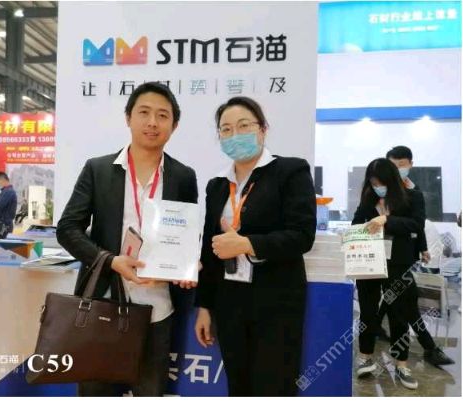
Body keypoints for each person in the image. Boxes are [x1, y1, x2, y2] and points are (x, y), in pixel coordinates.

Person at [56, 82, 198, 396]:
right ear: (128, 118)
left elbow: (188, 236)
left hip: (157, 310)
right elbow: (67, 229)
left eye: (163, 115)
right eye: (144, 112)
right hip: (102, 305)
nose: (152, 122)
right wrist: (110, 260)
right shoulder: (98, 169)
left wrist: (188, 264)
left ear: (174, 126)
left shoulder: (183, 176)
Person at [194, 96, 316, 396]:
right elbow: (210, 249)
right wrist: (205, 306)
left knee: (274, 385)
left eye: (243, 126)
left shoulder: (290, 171)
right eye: (226, 129)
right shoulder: (216, 185)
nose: (234, 134)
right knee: (238, 385)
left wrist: (247, 244)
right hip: (229, 302)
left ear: (262, 129)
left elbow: (302, 235)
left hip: (276, 302)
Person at [374, 146, 454, 366]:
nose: (397, 169)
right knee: (405, 299)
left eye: (402, 165)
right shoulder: (381, 189)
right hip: (382, 255)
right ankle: (429, 347)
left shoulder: (414, 191)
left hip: (403, 256)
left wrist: (422, 247)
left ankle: (378, 328)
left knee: (399, 299)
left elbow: (417, 225)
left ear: (410, 164)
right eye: (393, 165)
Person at [353, 158, 425, 390]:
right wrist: (355, 232)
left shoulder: (412, 197)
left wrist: (386, 220)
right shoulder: (368, 199)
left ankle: (401, 364)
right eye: (373, 183)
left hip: (398, 263)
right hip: (368, 262)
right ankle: (365, 357)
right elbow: (356, 222)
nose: (377, 187)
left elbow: (416, 224)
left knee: (398, 313)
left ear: (391, 180)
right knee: (367, 311)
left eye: (381, 183)